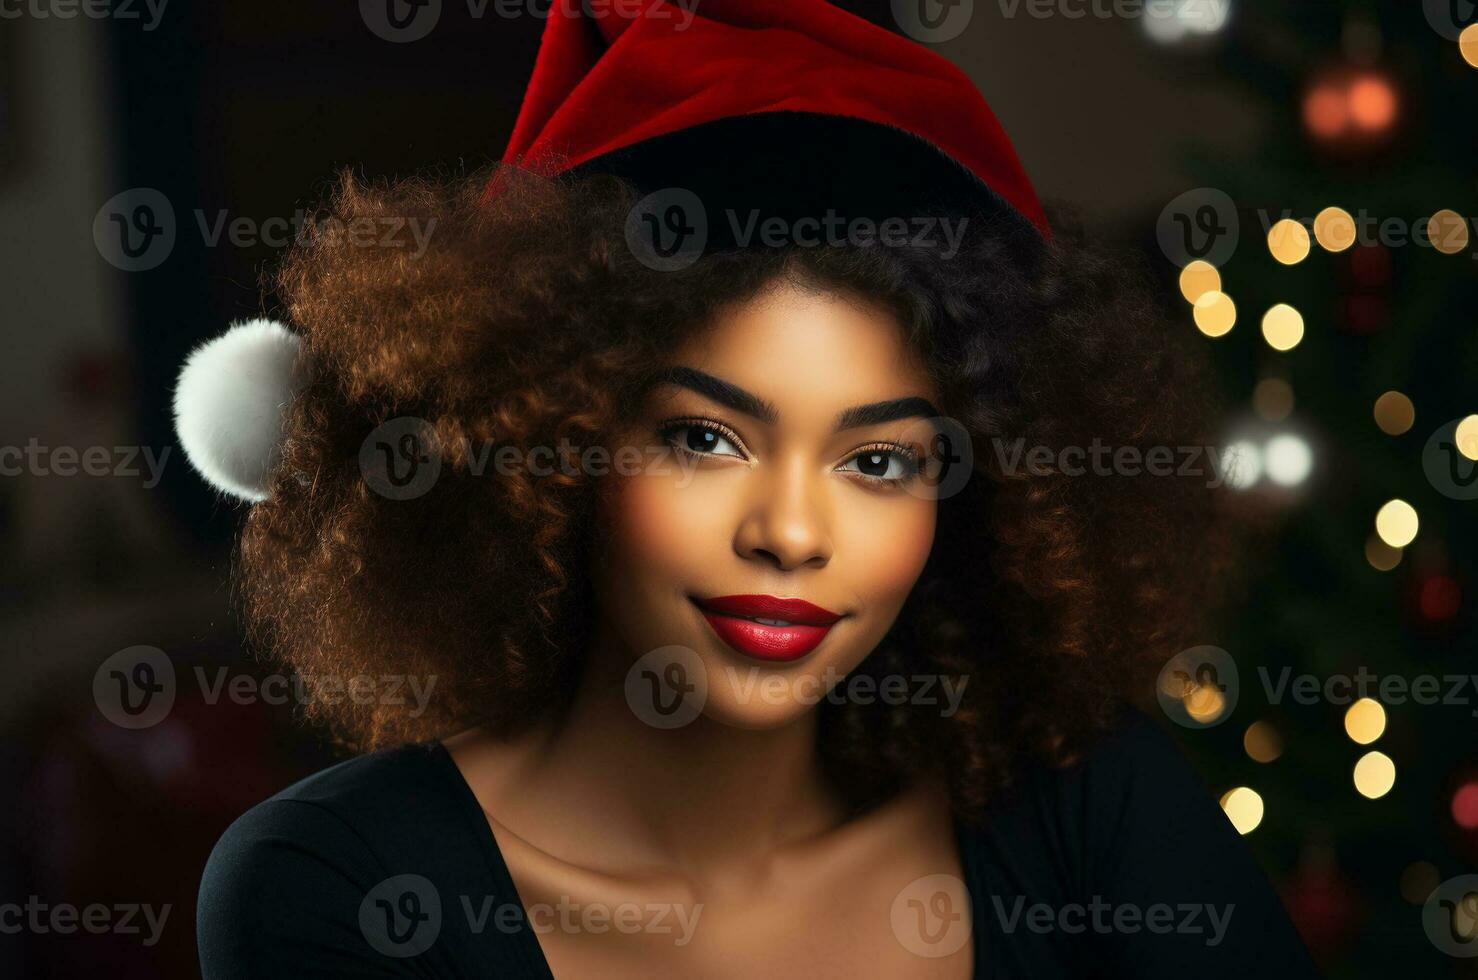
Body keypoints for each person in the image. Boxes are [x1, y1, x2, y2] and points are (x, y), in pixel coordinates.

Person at [181, 2, 1321, 976]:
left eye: (878, 461)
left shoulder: (1081, 800)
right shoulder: (340, 885)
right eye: (704, 439)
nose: (790, 533)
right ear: (545, 453)